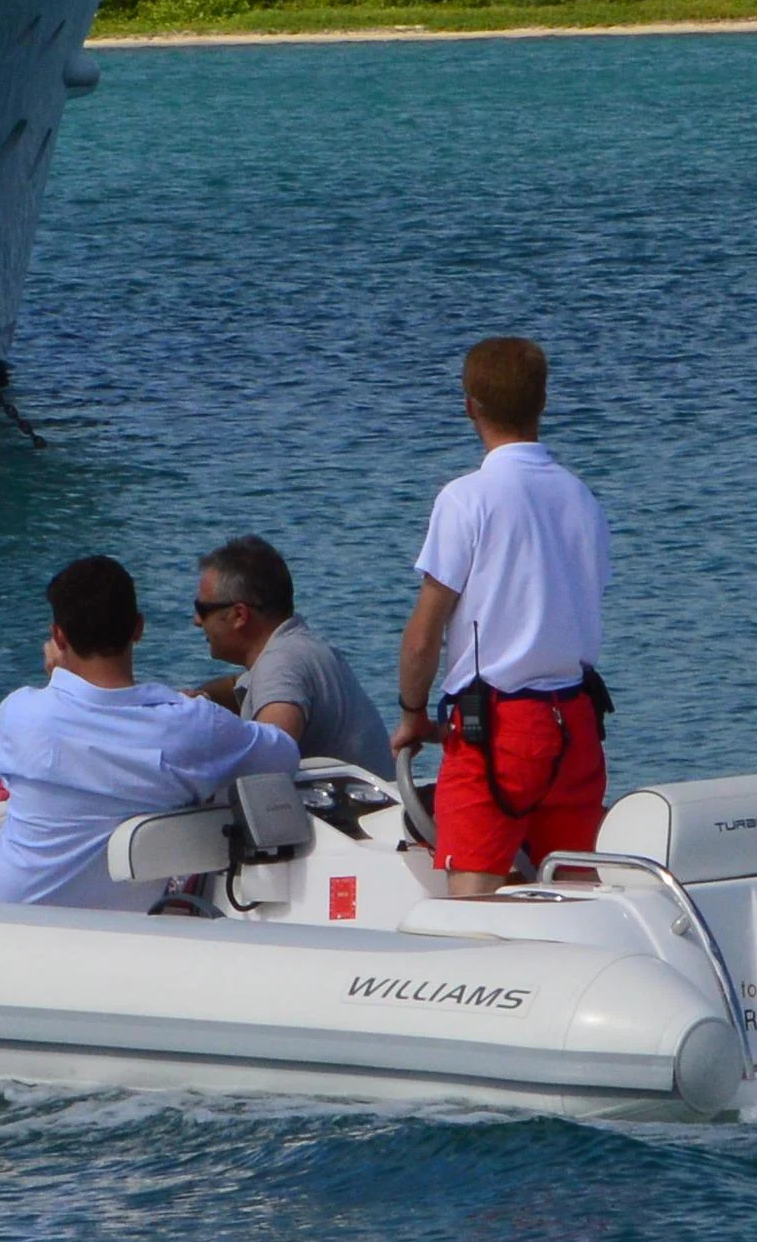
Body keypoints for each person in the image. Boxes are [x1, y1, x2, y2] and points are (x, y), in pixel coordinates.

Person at [393, 336, 611, 899]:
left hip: (498, 728)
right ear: (543, 401)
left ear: (470, 406)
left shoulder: (467, 499)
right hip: (576, 723)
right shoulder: (581, 497)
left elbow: (424, 635)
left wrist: (413, 713)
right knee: (572, 891)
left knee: (473, 896)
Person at [0, 555, 299, 907]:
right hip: (116, 919)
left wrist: (56, 677)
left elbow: (64, 738)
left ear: (59, 636)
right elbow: (283, 752)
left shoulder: (18, 713)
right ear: (138, 628)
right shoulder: (191, 727)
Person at [189, 539, 362, 769]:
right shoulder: (300, 647)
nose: (197, 621)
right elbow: (238, 687)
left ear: (240, 615)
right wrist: (201, 699)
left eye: (203, 610)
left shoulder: (280, 665)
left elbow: (269, 764)